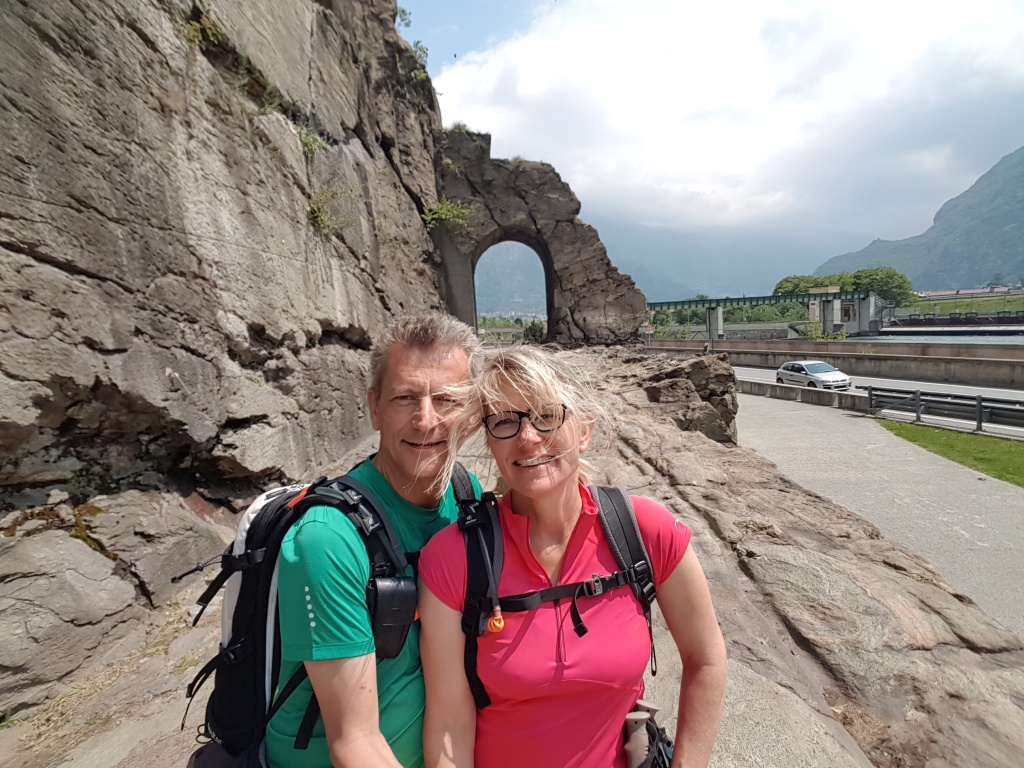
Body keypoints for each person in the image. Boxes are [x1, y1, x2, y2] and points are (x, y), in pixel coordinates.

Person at [417, 347, 727, 768]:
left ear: (583, 430)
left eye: (547, 414)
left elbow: (706, 658)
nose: (528, 436)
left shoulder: (644, 531)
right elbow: (450, 722)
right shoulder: (453, 558)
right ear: (490, 440)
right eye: (505, 421)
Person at [264, 314, 481, 768]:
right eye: (405, 398)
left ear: (474, 411)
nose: (426, 420)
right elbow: (353, 742)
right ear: (374, 406)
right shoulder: (327, 539)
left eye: (446, 399)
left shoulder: (468, 496)